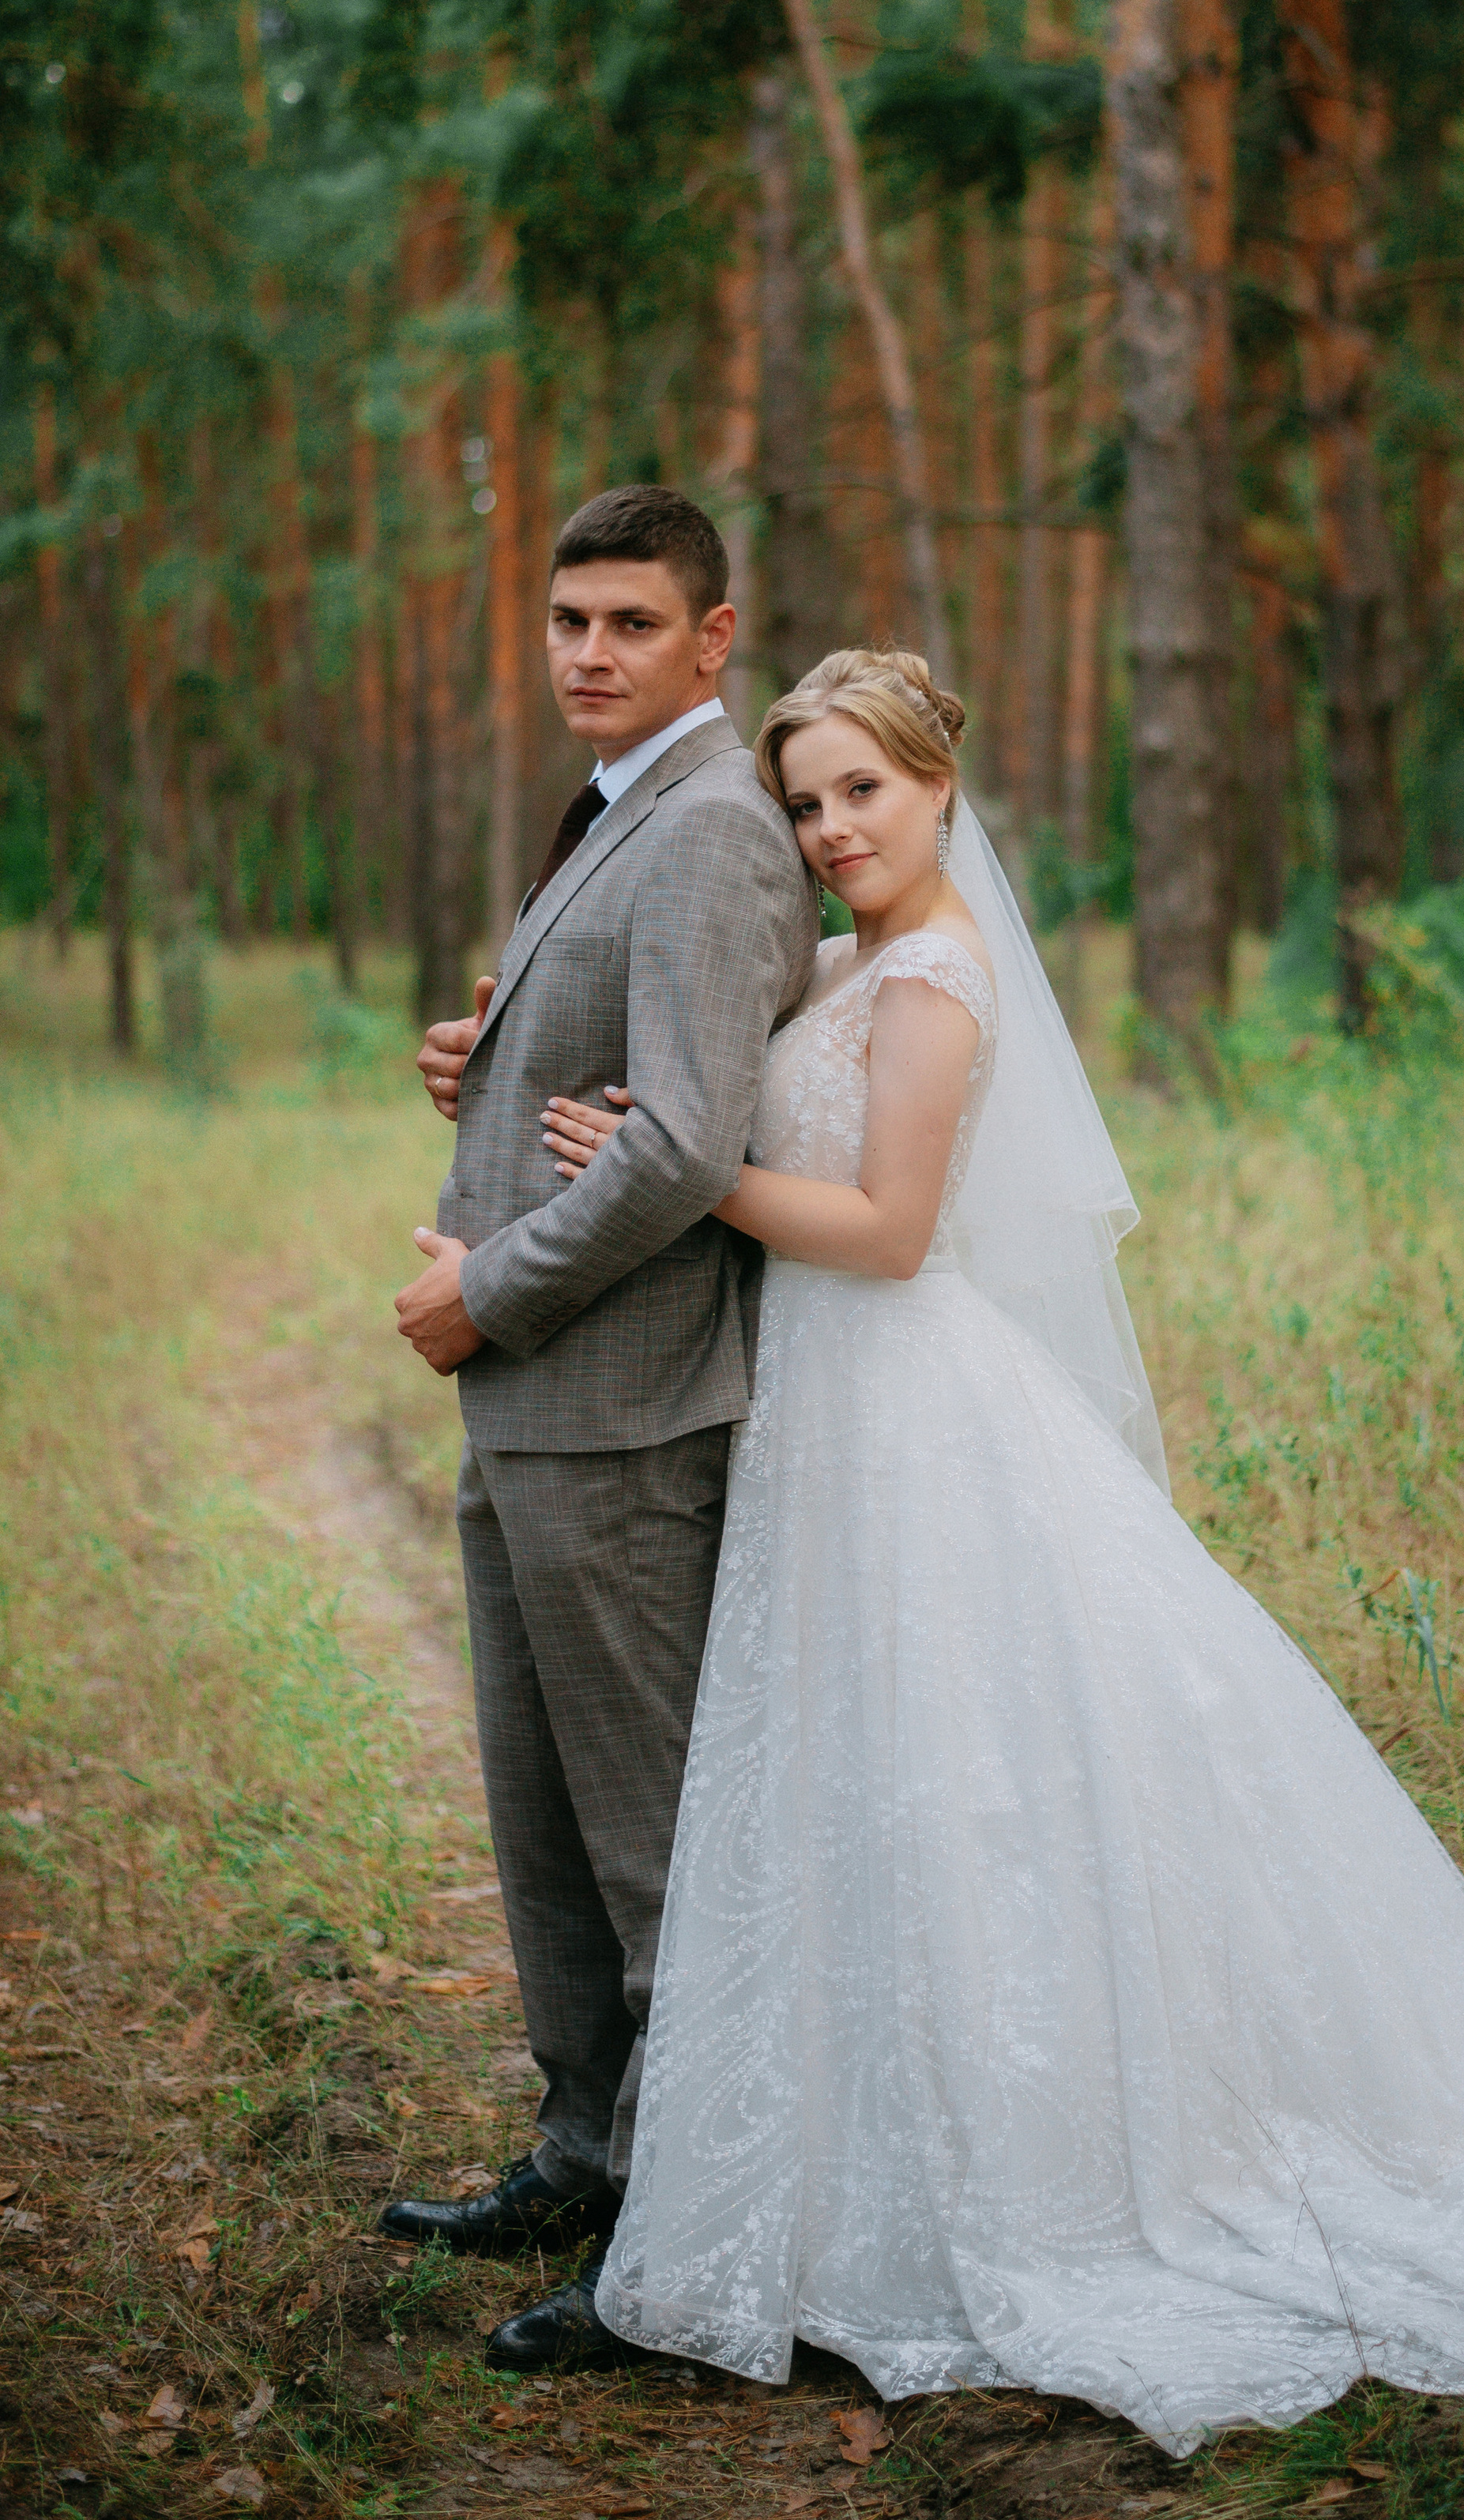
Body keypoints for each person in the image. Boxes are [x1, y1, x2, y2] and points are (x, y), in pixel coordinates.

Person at [525, 646, 1464, 2450]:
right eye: (805, 800)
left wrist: (680, 1174)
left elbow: (894, 1229)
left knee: (973, 1775)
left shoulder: (929, 980)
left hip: (904, 1403)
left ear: (939, 789)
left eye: (863, 790)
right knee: (881, 1785)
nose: (831, 827)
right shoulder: (841, 964)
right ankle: (861, 2148)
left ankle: (1050, 2163)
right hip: (824, 1426)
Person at [382, 485, 819, 2374]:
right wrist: (476, 1090)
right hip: (537, 1409)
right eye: (568, 619)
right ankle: (583, 2146)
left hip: (625, 1413)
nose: (587, 652)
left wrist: (489, 1287)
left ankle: (694, 2253)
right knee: (541, 1820)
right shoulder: (615, 809)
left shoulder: (715, 831)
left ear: (713, 640)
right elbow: (608, 1088)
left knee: (656, 1854)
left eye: (629, 622)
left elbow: (681, 1149)